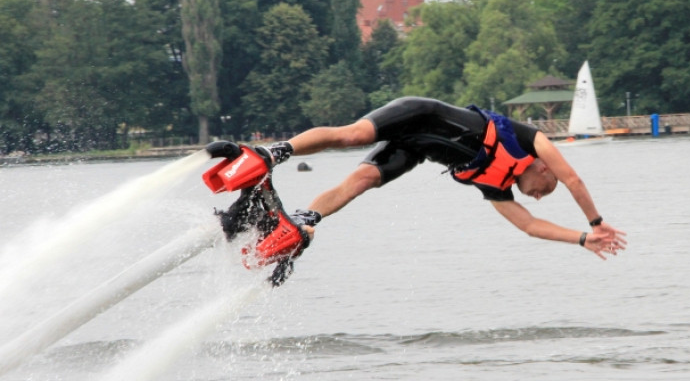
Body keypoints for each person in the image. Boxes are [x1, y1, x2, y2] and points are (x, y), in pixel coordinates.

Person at [227, 97, 627, 262]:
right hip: (419, 115)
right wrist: (595, 222)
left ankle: (305, 219)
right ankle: (273, 153)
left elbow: (530, 226)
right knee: (354, 135)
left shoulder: (496, 186)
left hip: (415, 150)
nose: (540, 197)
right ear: (542, 168)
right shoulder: (527, 140)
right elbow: (572, 178)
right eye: (545, 188)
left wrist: (580, 239)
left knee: (363, 179)